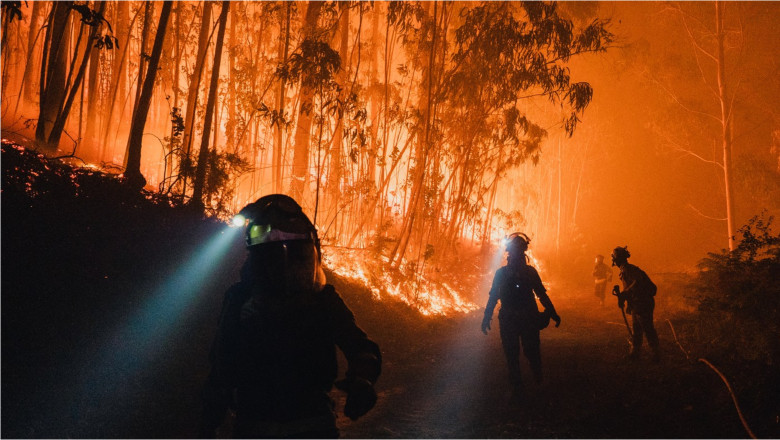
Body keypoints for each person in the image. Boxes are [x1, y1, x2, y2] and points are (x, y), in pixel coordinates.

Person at [199, 194, 381, 438]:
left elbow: (360, 348)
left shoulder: (321, 299)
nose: (284, 266)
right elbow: (222, 366)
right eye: (272, 257)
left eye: (295, 256)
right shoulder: (242, 299)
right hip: (274, 426)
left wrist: (363, 380)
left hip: (294, 426)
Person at [481, 233, 561, 400]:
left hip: (516, 318)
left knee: (518, 353)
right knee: (523, 352)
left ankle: (524, 385)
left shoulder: (506, 273)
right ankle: (531, 383)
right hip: (523, 318)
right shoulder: (526, 272)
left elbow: (494, 296)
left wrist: (487, 317)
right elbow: (542, 295)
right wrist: (552, 313)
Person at [611, 246, 660, 362]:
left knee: (647, 328)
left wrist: (624, 294)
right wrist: (624, 298)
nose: (613, 261)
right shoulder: (626, 269)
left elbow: (637, 284)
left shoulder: (629, 270)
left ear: (617, 259)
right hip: (637, 303)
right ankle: (635, 353)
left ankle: (656, 354)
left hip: (643, 303)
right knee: (637, 329)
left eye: (614, 258)